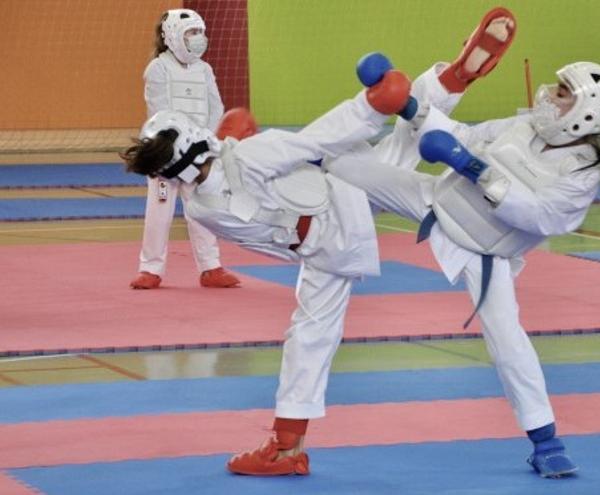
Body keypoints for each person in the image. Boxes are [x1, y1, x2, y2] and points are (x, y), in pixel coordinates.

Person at [325, 52, 600, 478]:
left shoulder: (580, 173)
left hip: (484, 251)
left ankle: (546, 440)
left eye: (564, 93)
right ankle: (272, 185)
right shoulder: (524, 126)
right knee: (340, 167)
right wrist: (409, 107)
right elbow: (463, 136)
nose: (551, 95)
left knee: (507, 339)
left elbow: (543, 216)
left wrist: (473, 169)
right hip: (435, 200)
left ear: (588, 114)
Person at [121, 51, 419, 477]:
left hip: (321, 248)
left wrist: (232, 145)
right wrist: (369, 107)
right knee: (383, 160)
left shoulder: (202, 210)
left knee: (309, 337)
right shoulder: (247, 157)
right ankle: (447, 85)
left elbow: (242, 193)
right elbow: (314, 139)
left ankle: (286, 446)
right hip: (339, 200)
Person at [130, 8, 241, 290]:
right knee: (159, 210)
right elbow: (160, 111)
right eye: (192, 33)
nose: (199, 38)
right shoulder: (158, 68)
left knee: (203, 209)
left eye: (201, 32)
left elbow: (215, 107)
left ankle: (210, 267)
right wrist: (176, 146)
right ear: (172, 37)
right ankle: (150, 268)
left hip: (199, 154)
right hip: (166, 155)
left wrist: (206, 142)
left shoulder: (205, 69)